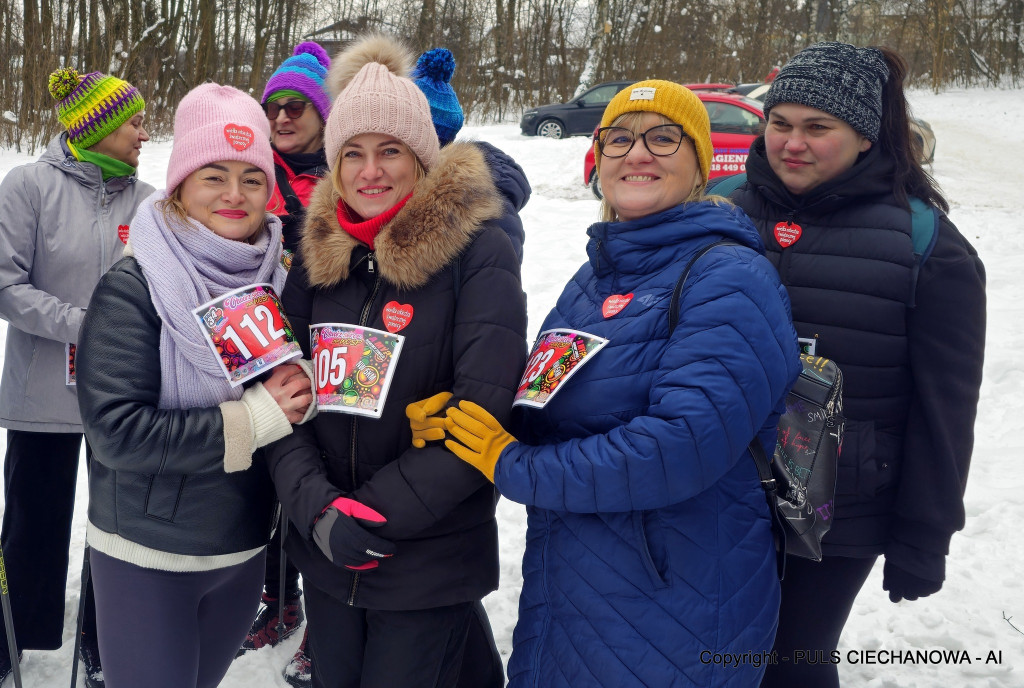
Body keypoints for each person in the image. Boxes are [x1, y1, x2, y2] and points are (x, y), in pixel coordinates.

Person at [429, 80, 802, 687]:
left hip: (670, 597)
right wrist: (463, 417)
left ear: (700, 163)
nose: (637, 154)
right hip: (574, 582)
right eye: (619, 138)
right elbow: (549, 404)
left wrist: (514, 465)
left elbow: (680, 446)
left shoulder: (729, 278)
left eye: (663, 137)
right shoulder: (595, 277)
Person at [715, 43, 986, 688]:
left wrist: (925, 535)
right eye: (780, 123)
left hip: (837, 511)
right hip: (718, 490)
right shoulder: (721, 211)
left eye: (818, 128)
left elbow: (946, 411)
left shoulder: (928, 247)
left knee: (790, 662)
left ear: (864, 138)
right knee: (718, 651)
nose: (792, 144)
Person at [264, 33, 527, 688]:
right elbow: (281, 395)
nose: (369, 171)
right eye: (352, 153)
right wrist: (319, 511)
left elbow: (483, 406)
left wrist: (373, 514)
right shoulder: (321, 252)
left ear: (423, 158)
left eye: (390, 151)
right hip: (325, 555)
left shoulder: (477, 252)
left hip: (422, 560)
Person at [75, 82, 314, 688]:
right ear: (179, 183)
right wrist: (257, 417)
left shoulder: (281, 279)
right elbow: (116, 434)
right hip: (147, 554)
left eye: (252, 177)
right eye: (213, 175)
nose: (235, 194)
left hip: (241, 547)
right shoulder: (135, 286)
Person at [0, 66, 154, 686]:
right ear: (99, 126)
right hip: (42, 393)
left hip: (120, 396)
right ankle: (14, 640)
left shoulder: (148, 203)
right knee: (34, 520)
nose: (145, 133)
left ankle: (102, 643)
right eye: (135, 122)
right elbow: (7, 286)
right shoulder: (29, 187)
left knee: (117, 529)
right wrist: (81, 323)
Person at [237, 40, 333, 684]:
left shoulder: (348, 171)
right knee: (264, 476)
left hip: (330, 348)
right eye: (273, 106)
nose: (283, 117)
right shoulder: (252, 171)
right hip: (253, 346)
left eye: (298, 105)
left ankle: (322, 622)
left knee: (316, 479)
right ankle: (277, 596)